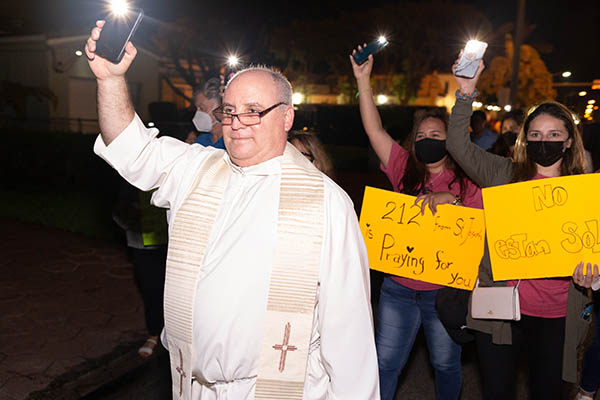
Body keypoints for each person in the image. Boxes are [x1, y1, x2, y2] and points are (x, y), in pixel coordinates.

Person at [85, 21, 379, 400]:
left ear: (286, 117)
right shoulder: (196, 169)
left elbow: (349, 331)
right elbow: (129, 145)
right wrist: (110, 81)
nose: (237, 123)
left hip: (276, 390)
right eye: (229, 111)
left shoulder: (325, 201)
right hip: (194, 389)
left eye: (254, 110)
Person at [448, 58, 598, 400]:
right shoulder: (502, 174)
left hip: (558, 315)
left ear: (569, 142)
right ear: (525, 140)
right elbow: (457, 146)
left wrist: (594, 277)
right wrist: (465, 93)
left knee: (547, 392)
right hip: (501, 310)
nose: (543, 141)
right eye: (535, 135)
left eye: (553, 135)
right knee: (497, 391)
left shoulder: (586, 194)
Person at [350, 46, 482, 400]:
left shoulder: (469, 182)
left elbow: (479, 230)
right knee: (385, 362)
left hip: (444, 293)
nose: (426, 141)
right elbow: (373, 129)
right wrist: (363, 81)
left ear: (451, 141)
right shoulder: (401, 168)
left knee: (445, 364)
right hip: (397, 291)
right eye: (421, 136)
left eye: (436, 136)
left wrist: (450, 200)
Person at [112, 181, 168, 358]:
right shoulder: (132, 176)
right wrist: (132, 216)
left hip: (175, 243)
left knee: (181, 293)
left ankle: (181, 337)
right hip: (142, 243)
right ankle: (154, 334)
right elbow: (118, 209)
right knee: (151, 288)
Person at [191, 78, 225, 149]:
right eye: (196, 108)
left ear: (220, 108)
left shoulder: (231, 143)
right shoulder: (201, 141)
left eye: (202, 108)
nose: (198, 113)